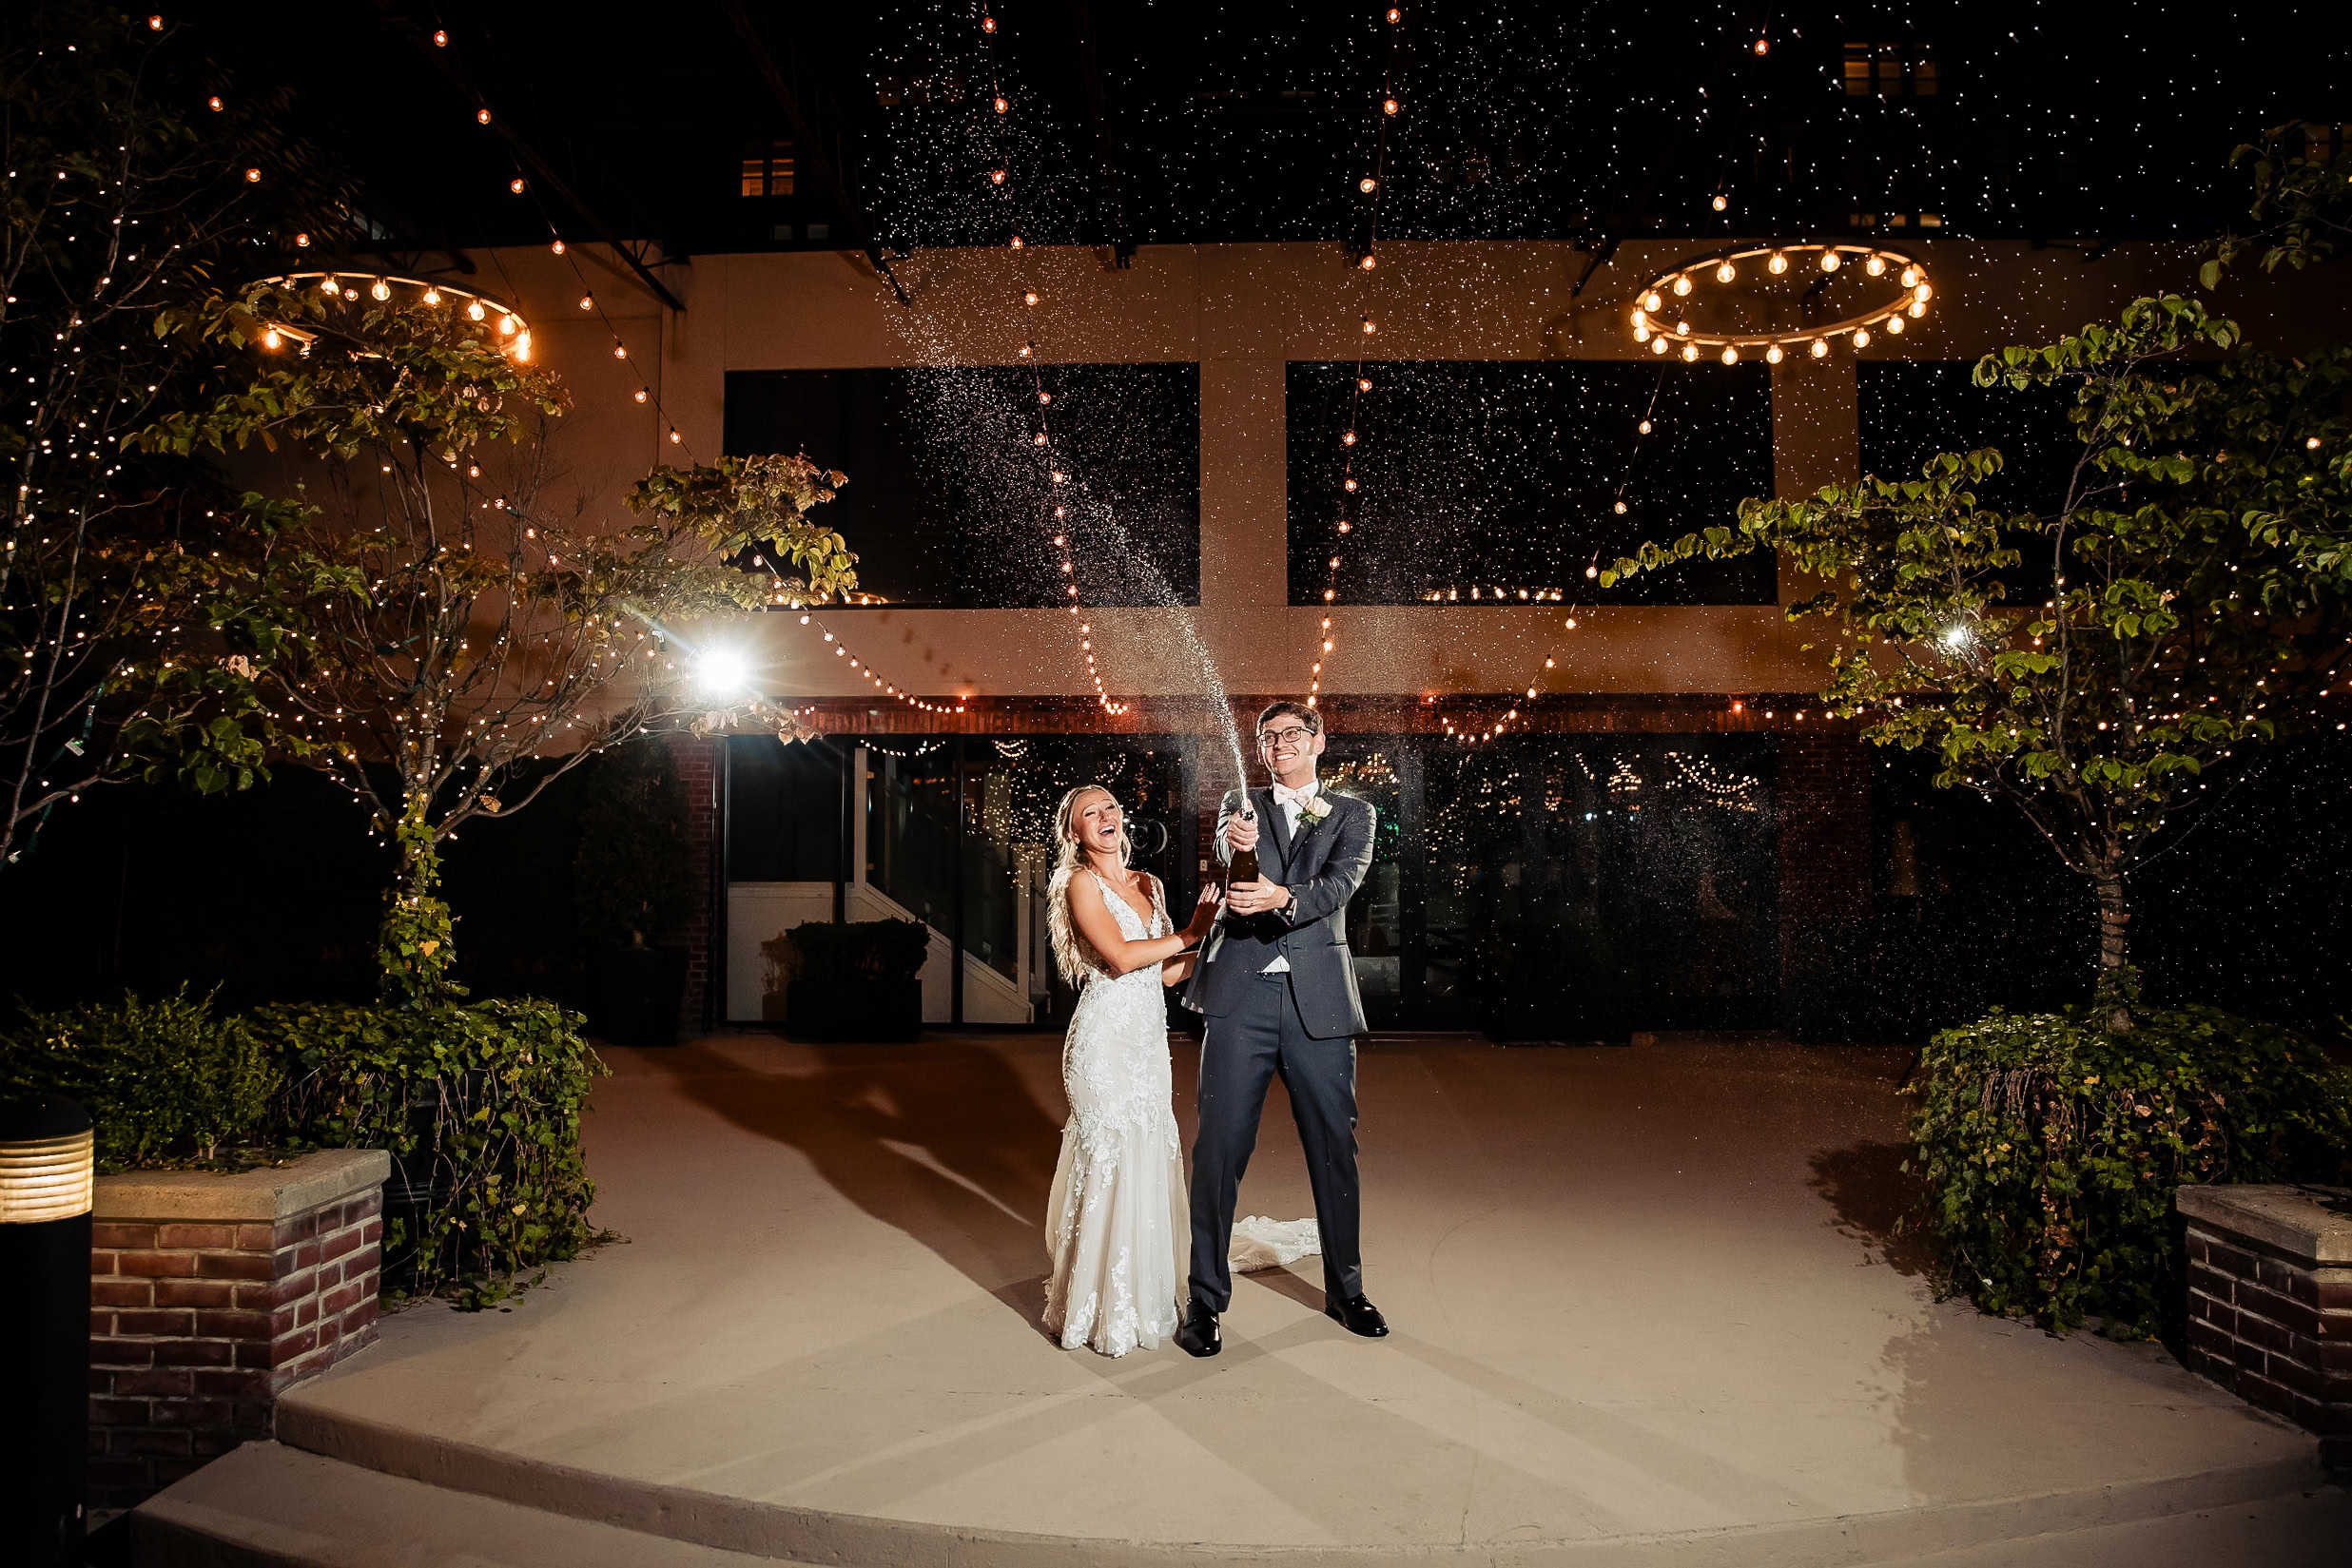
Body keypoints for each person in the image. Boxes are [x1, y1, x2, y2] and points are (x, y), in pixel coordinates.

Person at [1176, 701, 1385, 1358]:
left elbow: (1341, 883)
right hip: (1240, 998)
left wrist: (1283, 897)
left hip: (1316, 1002)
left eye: (1293, 733)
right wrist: (1235, 845)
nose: (1279, 743)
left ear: (1319, 742)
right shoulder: (1239, 804)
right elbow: (1225, 849)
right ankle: (1204, 1300)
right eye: (1268, 737)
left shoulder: (1354, 813)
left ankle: (1346, 1290)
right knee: (1218, 1150)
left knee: (1334, 1147)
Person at [1042, 784, 1221, 1356]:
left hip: (1147, 1044)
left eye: (1110, 808)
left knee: (1146, 1154)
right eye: (1089, 813)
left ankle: (1143, 1297)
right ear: (1076, 833)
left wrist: (1214, 942)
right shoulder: (1078, 883)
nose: (1105, 817)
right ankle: (1094, 1308)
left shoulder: (1149, 884)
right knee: (1109, 1158)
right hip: (1103, 1044)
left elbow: (1163, 973)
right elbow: (1121, 958)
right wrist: (1189, 932)